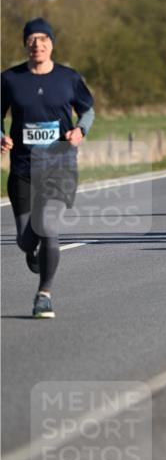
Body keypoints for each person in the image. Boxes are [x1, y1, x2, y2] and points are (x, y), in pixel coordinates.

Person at [1, 18, 95, 318]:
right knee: (26, 238)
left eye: (43, 38)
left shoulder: (68, 78)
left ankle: (44, 295)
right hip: (23, 169)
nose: (37, 44)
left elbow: (87, 109)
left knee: (49, 229)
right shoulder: (10, 79)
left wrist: (80, 130)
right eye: (32, 39)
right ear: (25, 44)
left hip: (59, 165)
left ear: (52, 43)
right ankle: (30, 249)